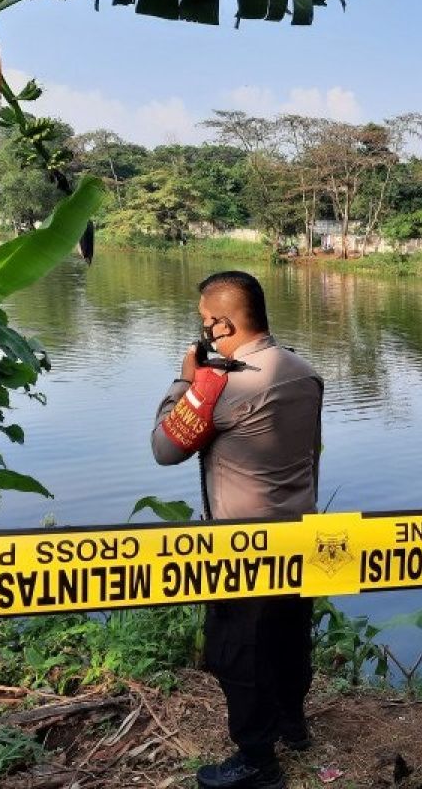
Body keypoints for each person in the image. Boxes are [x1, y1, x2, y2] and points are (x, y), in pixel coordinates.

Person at [151, 270, 323, 789]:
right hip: (301, 533)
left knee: (236, 650)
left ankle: (257, 761)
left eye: (205, 323)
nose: (203, 332)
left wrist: (187, 379)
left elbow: (165, 447)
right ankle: (293, 728)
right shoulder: (303, 371)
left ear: (221, 324)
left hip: (243, 542)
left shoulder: (226, 387)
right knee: (288, 638)